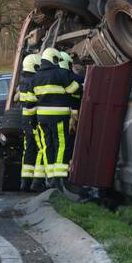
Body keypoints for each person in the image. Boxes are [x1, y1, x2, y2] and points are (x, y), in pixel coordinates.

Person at [31, 47, 81, 187]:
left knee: (47, 146)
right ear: (53, 59)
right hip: (58, 117)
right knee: (61, 145)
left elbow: (31, 101)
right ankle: (59, 177)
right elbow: (73, 89)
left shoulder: (35, 78)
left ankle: (51, 177)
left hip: (42, 119)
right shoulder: (60, 73)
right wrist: (79, 81)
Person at [17, 53, 45, 191]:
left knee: (28, 150)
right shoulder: (33, 81)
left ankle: (25, 181)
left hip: (25, 120)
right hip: (34, 119)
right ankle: (37, 182)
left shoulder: (23, 80)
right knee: (41, 148)